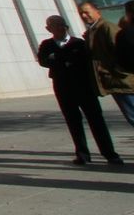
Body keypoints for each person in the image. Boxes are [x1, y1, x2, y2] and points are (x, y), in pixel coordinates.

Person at [37, 14, 123, 165]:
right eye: (55, 26)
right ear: (48, 29)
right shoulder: (46, 44)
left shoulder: (78, 43)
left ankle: (109, 153)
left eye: (62, 25)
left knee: (96, 119)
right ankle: (82, 153)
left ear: (66, 27)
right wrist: (60, 60)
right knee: (73, 120)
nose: (59, 28)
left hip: (83, 86)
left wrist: (57, 59)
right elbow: (44, 61)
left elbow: (86, 60)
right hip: (63, 87)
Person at [78, 0, 134, 129]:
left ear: (97, 12)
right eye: (81, 13)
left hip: (123, 81)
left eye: (87, 12)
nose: (84, 16)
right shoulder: (94, 30)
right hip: (116, 82)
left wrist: (114, 71)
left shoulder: (107, 27)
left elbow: (123, 52)